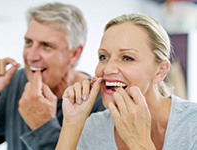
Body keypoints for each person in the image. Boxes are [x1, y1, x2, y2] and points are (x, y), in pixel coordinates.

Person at [0, 2, 105, 150]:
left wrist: (43, 127)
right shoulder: (15, 83)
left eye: (46, 45)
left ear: (74, 54)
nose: (31, 56)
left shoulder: (99, 102)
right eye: (28, 42)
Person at [56, 13, 197, 150]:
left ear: (160, 71)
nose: (108, 69)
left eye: (127, 58)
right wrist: (72, 124)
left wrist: (139, 143)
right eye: (103, 57)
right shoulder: (93, 126)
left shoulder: (193, 123)